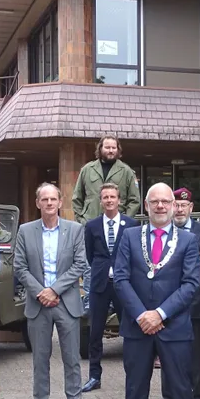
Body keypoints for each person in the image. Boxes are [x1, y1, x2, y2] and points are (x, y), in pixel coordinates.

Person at [104, 183, 200, 399]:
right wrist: (141, 315)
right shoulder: (129, 236)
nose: (160, 206)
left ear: (174, 206)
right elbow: (120, 279)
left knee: (182, 393)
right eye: (155, 202)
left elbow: (191, 284)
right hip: (138, 328)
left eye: (166, 201)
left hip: (174, 328)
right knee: (135, 392)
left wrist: (159, 314)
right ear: (146, 206)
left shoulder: (188, 240)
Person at [14, 183, 87, 399]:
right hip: (38, 304)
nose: (49, 203)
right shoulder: (25, 231)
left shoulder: (75, 230)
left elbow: (79, 265)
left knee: (72, 360)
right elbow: (20, 267)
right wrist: (41, 292)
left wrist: (54, 290)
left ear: (60, 202)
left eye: (53, 199)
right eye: (44, 199)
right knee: (39, 359)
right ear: (37, 203)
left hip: (66, 303)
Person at [154, 188, 200, 399]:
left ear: (191, 208)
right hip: (166, 304)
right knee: (167, 353)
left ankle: (198, 398)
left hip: (195, 304)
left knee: (195, 354)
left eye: (184, 205)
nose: (180, 209)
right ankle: (169, 398)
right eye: (177, 205)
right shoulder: (163, 231)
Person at [72, 134, 141, 313]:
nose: (110, 150)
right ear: (100, 148)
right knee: (90, 266)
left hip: (118, 231)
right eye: (107, 147)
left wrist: (124, 222)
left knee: (120, 265)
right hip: (92, 228)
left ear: (118, 150)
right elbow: (77, 198)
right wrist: (82, 220)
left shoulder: (126, 171)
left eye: (113, 148)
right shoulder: (87, 170)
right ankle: (91, 304)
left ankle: (117, 305)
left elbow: (135, 200)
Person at [81, 183, 139, 393]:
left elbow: (134, 254)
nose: (109, 200)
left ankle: (133, 375)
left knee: (129, 330)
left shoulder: (131, 225)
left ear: (119, 200)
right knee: (95, 331)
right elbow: (90, 255)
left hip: (124, 285)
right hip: (100, 285)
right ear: (101, 201)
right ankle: (94, 376)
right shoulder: (92, 226)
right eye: (105, 197)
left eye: (112, 197)